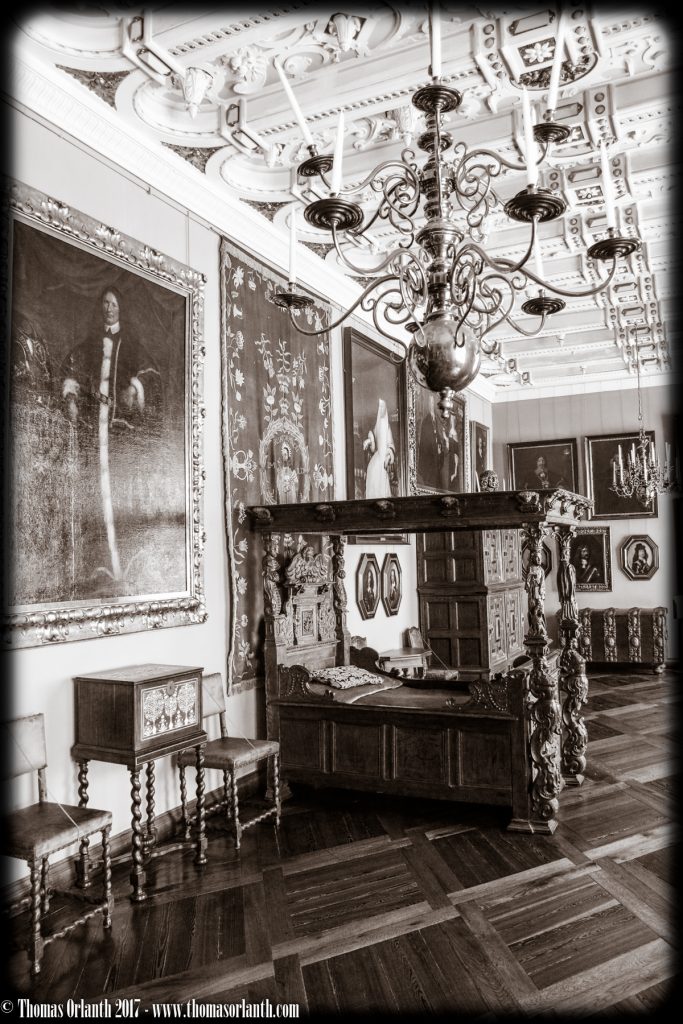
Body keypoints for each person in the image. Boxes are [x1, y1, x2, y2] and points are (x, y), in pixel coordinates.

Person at [59, 286, 162, 594]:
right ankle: (98, 568)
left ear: (121, 308)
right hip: (92, 431)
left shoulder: (132, 345)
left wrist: (135, 388)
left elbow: (152, 376)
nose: (108, 308)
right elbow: (71, 370)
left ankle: (127, 569)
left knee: (121, 496)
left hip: (120, 434)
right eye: (105, 303)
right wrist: (70, 396)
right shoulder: (89, 343)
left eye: (114, 303)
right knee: (92, 496)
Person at [417, 392, 460, 491]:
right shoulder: (426, 421)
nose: (431, 405)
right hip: (431, 460)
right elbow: (426, 444)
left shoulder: (437, 420)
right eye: (430, 402)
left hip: (440, 459)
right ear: (428, 404)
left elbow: (451, 446)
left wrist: (442, 444)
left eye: (433, 403)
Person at [363, 397, 396, 498]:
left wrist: (388, 456)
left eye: (383, 407)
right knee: (373, 478)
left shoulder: (387, 427)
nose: (381, 409)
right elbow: (373, 447)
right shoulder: (376, 426)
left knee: (382, 485)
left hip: (383, 459)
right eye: (380, 407)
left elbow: (391, 445)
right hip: (377, 459)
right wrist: (369, 441)